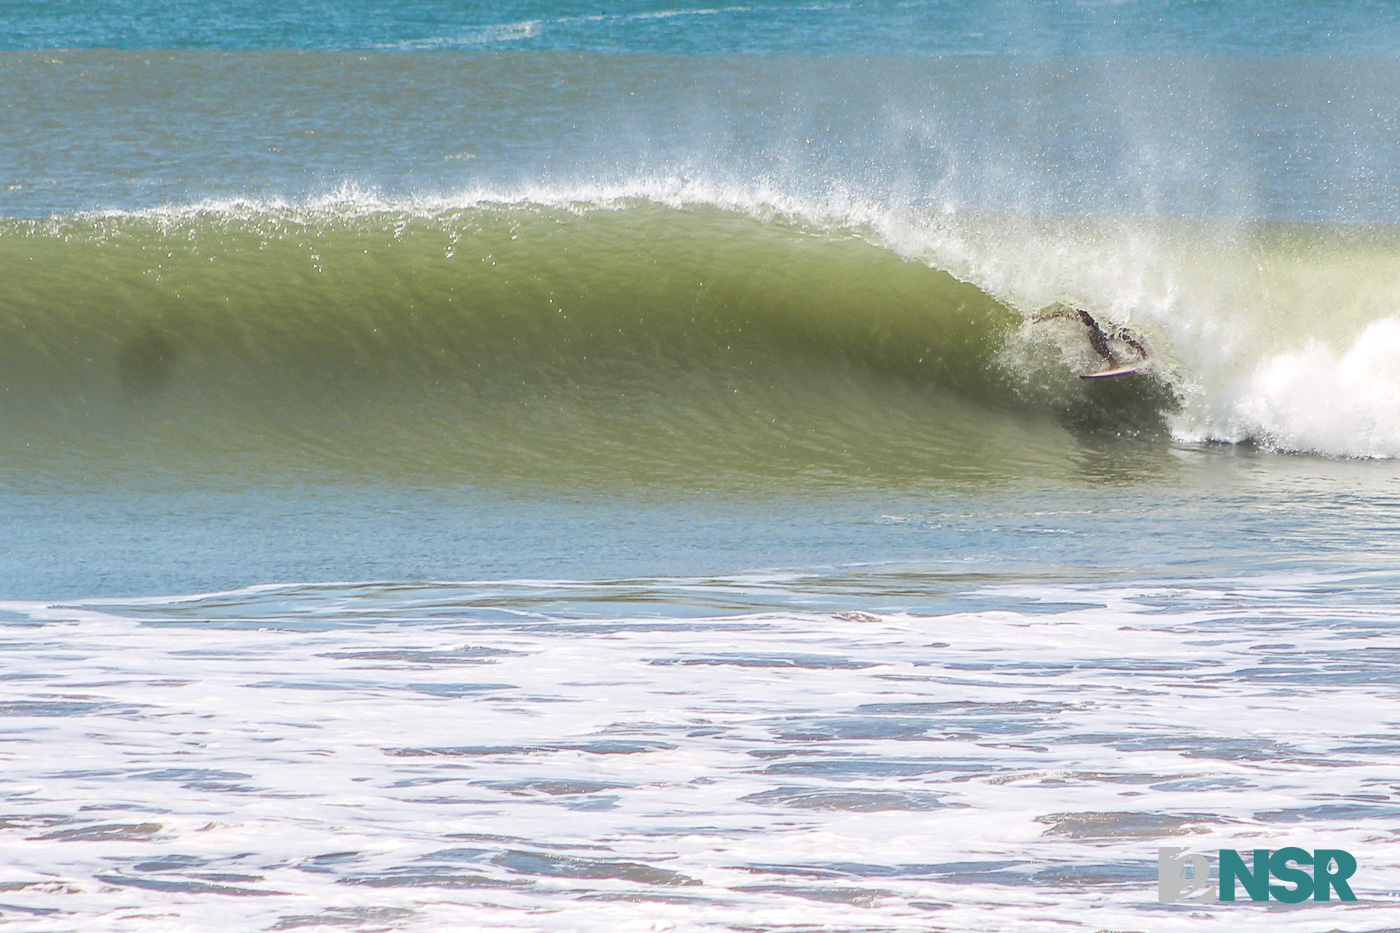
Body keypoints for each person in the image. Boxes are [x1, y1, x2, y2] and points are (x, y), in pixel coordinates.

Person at [1032, 304, 1147, 370]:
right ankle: (1113, 363)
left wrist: (1142, 351)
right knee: (1092, 335)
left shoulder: (1102, 320)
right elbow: (1060, 313)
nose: (1083, 319)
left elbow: (1123, 335)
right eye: (1081, 316)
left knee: (1121, 334)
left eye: (1084, 316)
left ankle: (1144, 354)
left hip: (1116, 329)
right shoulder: (1084, 319)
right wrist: (1040, 318)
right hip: (1104, 333)